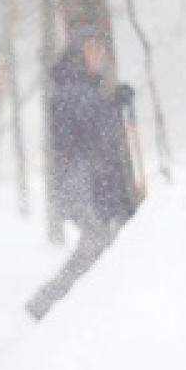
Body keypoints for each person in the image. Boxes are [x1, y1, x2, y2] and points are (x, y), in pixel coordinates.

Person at [25, 27, 140, 320]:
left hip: (86, 185)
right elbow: (90, 128)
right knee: (98, 244)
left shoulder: (82, 87)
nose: (99, 56)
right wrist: (114, 105)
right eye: (92, 49)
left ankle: (53, 305)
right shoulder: (70, 88)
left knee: (98, 244)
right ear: (78, 54)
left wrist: (112, 103)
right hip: (79, 187)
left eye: (101, 50)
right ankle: (52, 306)